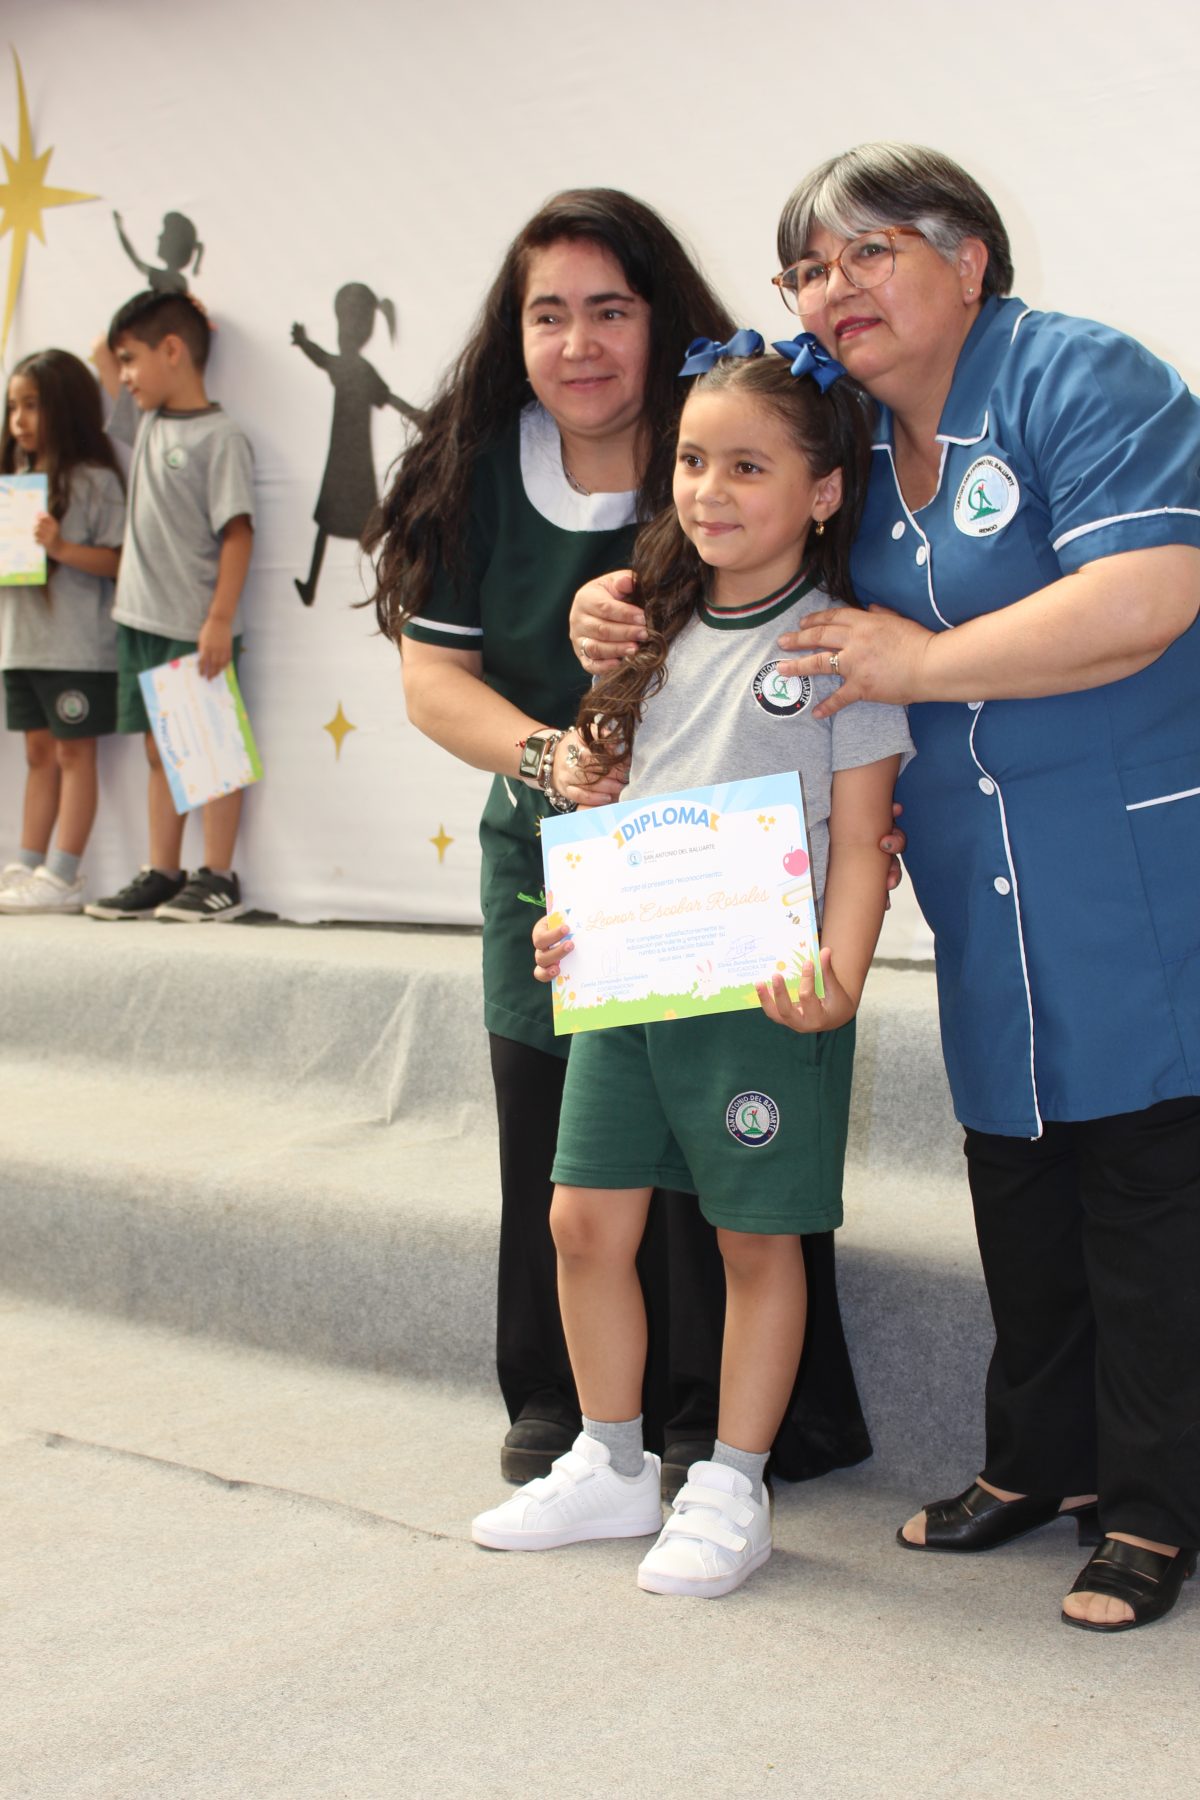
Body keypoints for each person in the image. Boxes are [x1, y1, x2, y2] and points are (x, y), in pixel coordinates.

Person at [576, 142, 1200, 1631]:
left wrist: (917, 664)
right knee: (1018, 1170)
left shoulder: (1080, 380)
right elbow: (742, 539)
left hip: (1131, 859)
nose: (833, 289)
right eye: (809, 266)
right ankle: (1036, 1462)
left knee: (1145, 1175)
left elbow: (1145, 598)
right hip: (976, 883)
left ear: (970, 258)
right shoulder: (851, 431)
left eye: (870, 252)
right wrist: (623, 594)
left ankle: (1157, 1506)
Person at [366, 190, 872, 1494]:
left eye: (610, 310)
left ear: (663, 320)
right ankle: (570, 1409)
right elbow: (434, 684)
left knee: (729, 1161)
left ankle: (726, 1429)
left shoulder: (729, 434)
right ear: (511, 331)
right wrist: (550, 757)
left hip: (732, 897)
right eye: (549, 315)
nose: (579, 341)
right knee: (567, 1152)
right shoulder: (472, 466)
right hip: (565, 873)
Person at [470, 336, 912, 1597]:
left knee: (757, 1242)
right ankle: (613, 1464)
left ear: (823, 492)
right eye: (692, 461)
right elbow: (617, 814)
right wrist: (575, 922)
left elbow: (865, 844)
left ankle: (730, 1482)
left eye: (749, 467)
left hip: (768, 1000)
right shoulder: (644, 631)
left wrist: (839, 975)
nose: (710, 490)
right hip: (632, 991)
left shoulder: (841, 646)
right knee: (581, 1222)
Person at [87, 291, 255, 923]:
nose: (122, 375)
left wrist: (217, 619)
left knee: (211, 752)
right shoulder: (146, 422)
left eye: (134, 359)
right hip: (140, 621)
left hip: (193, 625)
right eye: (122, 362)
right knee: (161, 750)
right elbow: (99, 355)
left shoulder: (220, 436)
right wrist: (144, 324)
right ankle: (163, 869)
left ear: (174, 351)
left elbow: (238, 532)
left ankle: (218, 875)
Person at [0, 350, 125, 914]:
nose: (19, 421)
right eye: (12, 407)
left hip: (77, 649)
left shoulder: (94, 481)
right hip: (22, 644)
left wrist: (61, 548)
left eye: (31, 406)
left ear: (65, 408)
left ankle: (65, 875)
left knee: (76, 755)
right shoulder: (14, 484)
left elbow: (121, 562)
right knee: (36, 753)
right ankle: (27, 865)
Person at [291, 283, 422, 606]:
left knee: (364, 524)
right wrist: (304, 342)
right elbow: (322, 358)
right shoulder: (352, 366)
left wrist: (417, 415)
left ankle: (396, 586)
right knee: (342, 521)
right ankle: (316, 586)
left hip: (351, 453)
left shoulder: (357, 369)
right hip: (346, 452)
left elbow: (387, 396)